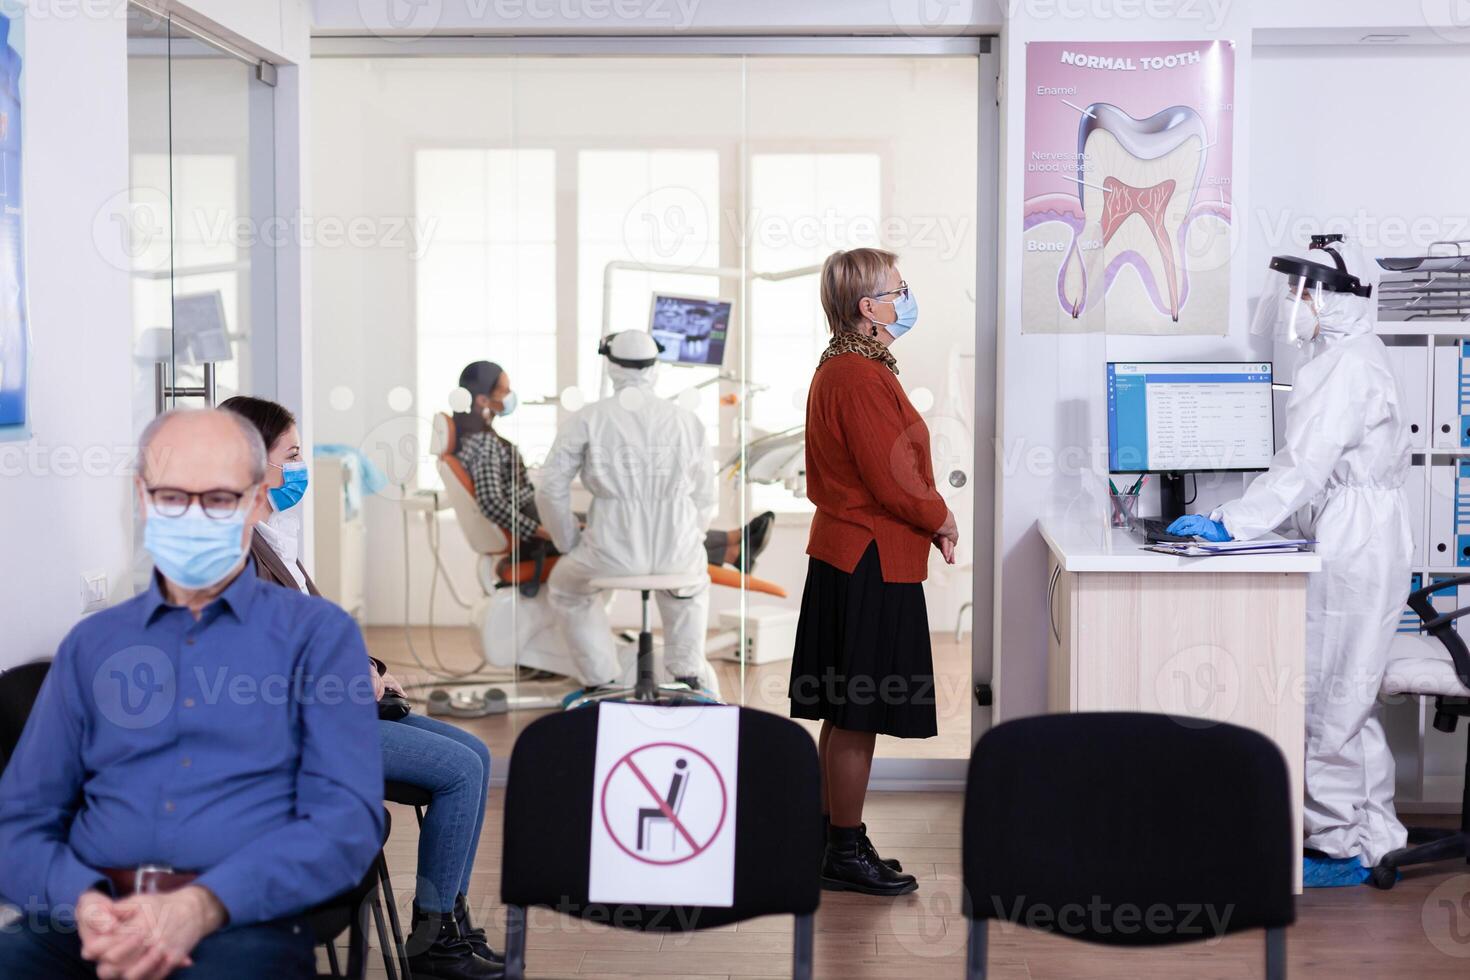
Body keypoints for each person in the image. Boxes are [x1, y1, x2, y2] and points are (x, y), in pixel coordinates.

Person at [0, 408, 383, 979]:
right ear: (143, 496)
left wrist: (202, 905)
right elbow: (18, 819)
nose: (194, 516)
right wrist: (82, 903)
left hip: (242, 920)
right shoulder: (93, 646)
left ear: (258, 500)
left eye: (221, 499)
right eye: (173, 496)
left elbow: (348, 821)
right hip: (88, 920)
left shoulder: (318, 639)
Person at [220, 395, 501, 979]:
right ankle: (434, 944)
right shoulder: (233, 554)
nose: (299, 469)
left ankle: (448, 920)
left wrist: (369, 668)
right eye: (290, 457)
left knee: (474, 752)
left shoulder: (272, 539)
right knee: (460, 771)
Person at [1168, 235, 1411, 888]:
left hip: (1356, 542)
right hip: (1367, 533)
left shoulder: (1344, 367)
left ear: (1330, 298)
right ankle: (1374, 833)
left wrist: (1227, 523)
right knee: (1352, 691)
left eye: (1299, 290)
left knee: (1334, 697)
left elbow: (1303, 468)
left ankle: (1334, 846)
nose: (1290, 303)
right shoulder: (1349, 354)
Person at [788, 247, 958, 898]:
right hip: (868, 557)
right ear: (870, 308)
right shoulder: (857, 375)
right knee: (856, 711)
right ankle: (844, 847)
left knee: (844, 707)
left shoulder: (849, 367)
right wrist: (940, 517)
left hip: (854, 553)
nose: (905, 297)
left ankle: (839, 839)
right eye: (899, 288)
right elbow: (892, 474)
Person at [453, 360, 773, 583]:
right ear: (482, 398)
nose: (510, 397)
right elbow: (492, 502)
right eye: (504, 391)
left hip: (533, 515)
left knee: (632, 524)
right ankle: (733, 546)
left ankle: (734, 546)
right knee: (633, 528)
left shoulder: (478, 437)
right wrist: (543, 531)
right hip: (532, 526)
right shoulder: (482, 444)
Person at [533, 333, 725, 693]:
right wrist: (690, 537)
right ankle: (687, 675)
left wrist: (569, 541)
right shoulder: (687, 420)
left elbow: (550, 487)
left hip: (609, 552)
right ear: (655, 369)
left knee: (566, 589)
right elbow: (705, 496)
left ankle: (601, 681)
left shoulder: (587, 418)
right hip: (677, 550)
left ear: (611, 367)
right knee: (689, 586)